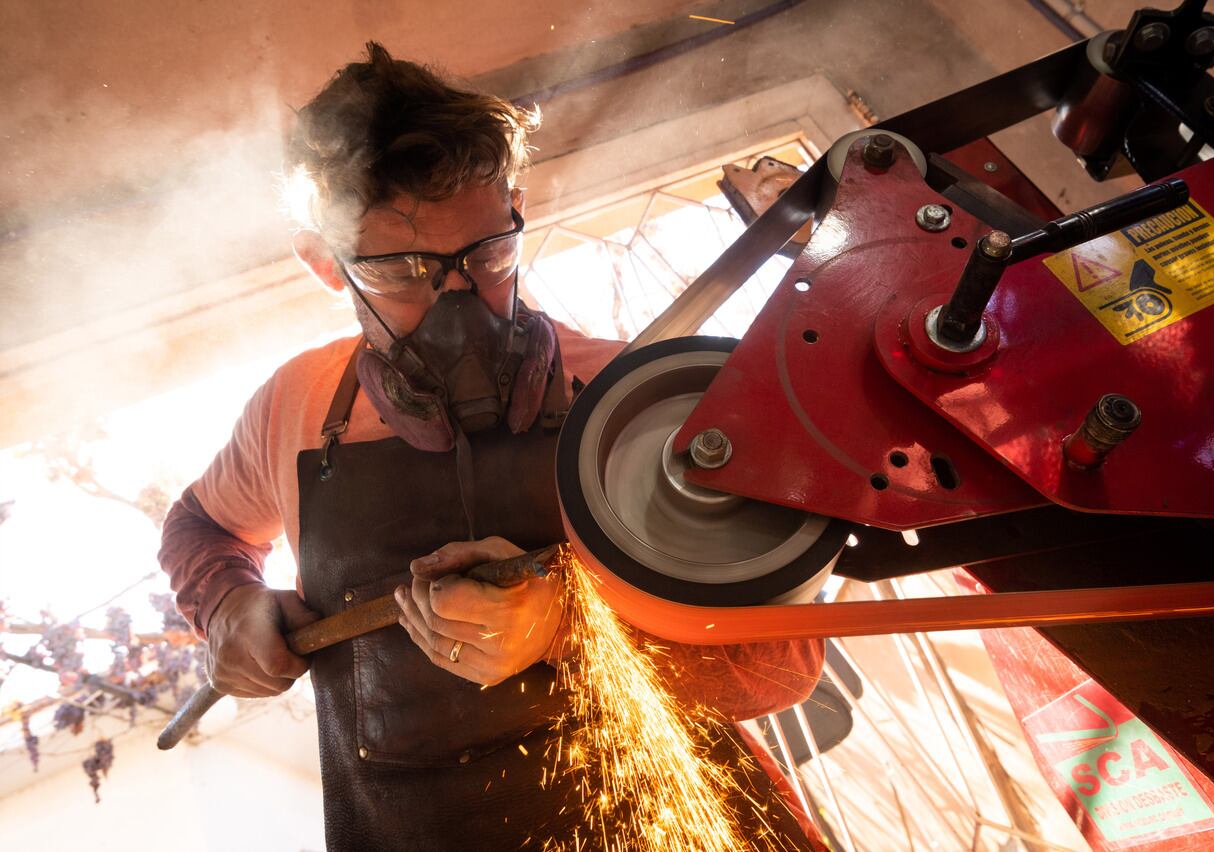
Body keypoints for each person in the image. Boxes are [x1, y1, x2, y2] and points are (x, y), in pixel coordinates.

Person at [159, 43, 826, 850]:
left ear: (515, 206)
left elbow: (783, 665)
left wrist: (569, 633)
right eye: (401, 272)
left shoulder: (632, 398)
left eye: (487, 255)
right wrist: (226, 603)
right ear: (324, 264)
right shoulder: (294, 410)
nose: (459, 302)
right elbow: (199, 526)